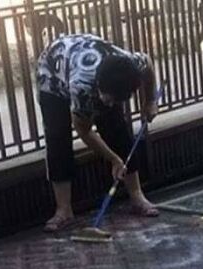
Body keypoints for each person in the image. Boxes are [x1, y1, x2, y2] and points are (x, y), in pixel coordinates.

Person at [36, 33, 160, 232]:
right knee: (58, 136)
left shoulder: (129, 64)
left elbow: (147, 62)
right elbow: (84, 130)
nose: (110, 103)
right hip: (52, 73)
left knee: (117, 128)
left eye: (116, 100)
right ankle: (64, 210)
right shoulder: (82, 85)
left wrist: (150, 101)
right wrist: (113, 159)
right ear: (99, 87)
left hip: (89, 58)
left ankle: (137, 197)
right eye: (108, 98)